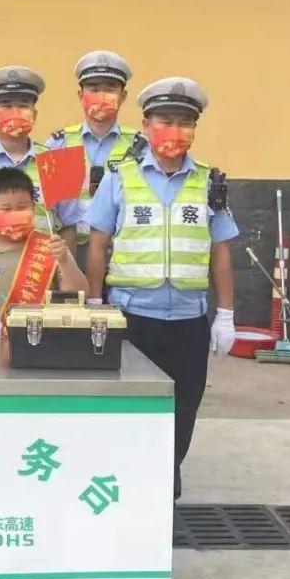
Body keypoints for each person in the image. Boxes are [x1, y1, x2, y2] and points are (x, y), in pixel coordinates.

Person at [83, 77, 237, 501]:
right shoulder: (120, 179)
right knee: (127, 413)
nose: (174, 130)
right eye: (165, 120)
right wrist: (96, 304)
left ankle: (161, 493)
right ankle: (128, 492)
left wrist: (225, 315)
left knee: (182, 412)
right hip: (133, 319)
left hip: (188, 322)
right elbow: (97, 244)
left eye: (184, 122)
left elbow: (220, 251)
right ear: (147, 125)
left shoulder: (209, 182)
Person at [0, 167, 88, 365]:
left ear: (33, 208)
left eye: (22, 207)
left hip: (43, 349)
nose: (15, 214)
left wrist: (65, 260)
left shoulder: (50, 248)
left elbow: (79, 294)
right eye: (6, 209)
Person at [0, 66, 80, 246]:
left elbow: (69, 227)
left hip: (43, 268)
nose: (15, 112)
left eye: (23, 105)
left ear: (34, 114)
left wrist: (64, 270)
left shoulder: (58, 160)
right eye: (6, 105)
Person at [47, 51, 139, 253]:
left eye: (110, 89)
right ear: (81, 95)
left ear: (123, 97)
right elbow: (53, 212)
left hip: (121, 254)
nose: (101, 96)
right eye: (93, 89)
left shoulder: (140, 146)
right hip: (71, 249)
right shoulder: (61, 144)